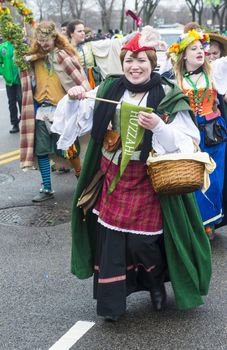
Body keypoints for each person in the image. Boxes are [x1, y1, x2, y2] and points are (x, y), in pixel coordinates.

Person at [63, 26, 212, 321]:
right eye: (129, 60)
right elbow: (75, 119)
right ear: (122, 63)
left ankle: (156, 282)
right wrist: (73, 96)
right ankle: (111, 306)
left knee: (143, 243)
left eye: (142, 60)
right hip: (112, 178)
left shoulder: (167, 94)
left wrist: (158, 125)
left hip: (147, 179)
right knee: (112, 242)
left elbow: (185, 143)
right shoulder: (109, 89)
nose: (135, 66)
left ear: (152, 63)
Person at [20, 21, 90, 202]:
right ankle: (46, 188)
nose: (43, 43)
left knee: (69, 149)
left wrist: (85, 96)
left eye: (47, 39)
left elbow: (80, 80)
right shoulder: (33, 58)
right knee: (42, 151)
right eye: (40, 40)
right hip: (41, 112)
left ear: (54, 37)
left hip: (62, 111)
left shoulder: (62, 56)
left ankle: (83, 184)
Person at [168, 29, 227, 239]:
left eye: (201, 48)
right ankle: (199, 223)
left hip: (214, 132)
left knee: (215, 177)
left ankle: (211, 222)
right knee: (194, 177)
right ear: (184, 55)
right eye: (193, 49)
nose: (200, 51)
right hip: (189, 132)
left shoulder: (214, 72)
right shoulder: (175, 79)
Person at [0, 40, 22, 133]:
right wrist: (4, 73)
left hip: (20, 80)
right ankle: (15, 124)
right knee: (12, 103)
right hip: (9, 81)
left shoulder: (20, 45)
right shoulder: (2, 47)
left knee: (22, 100)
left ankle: (25, 121)